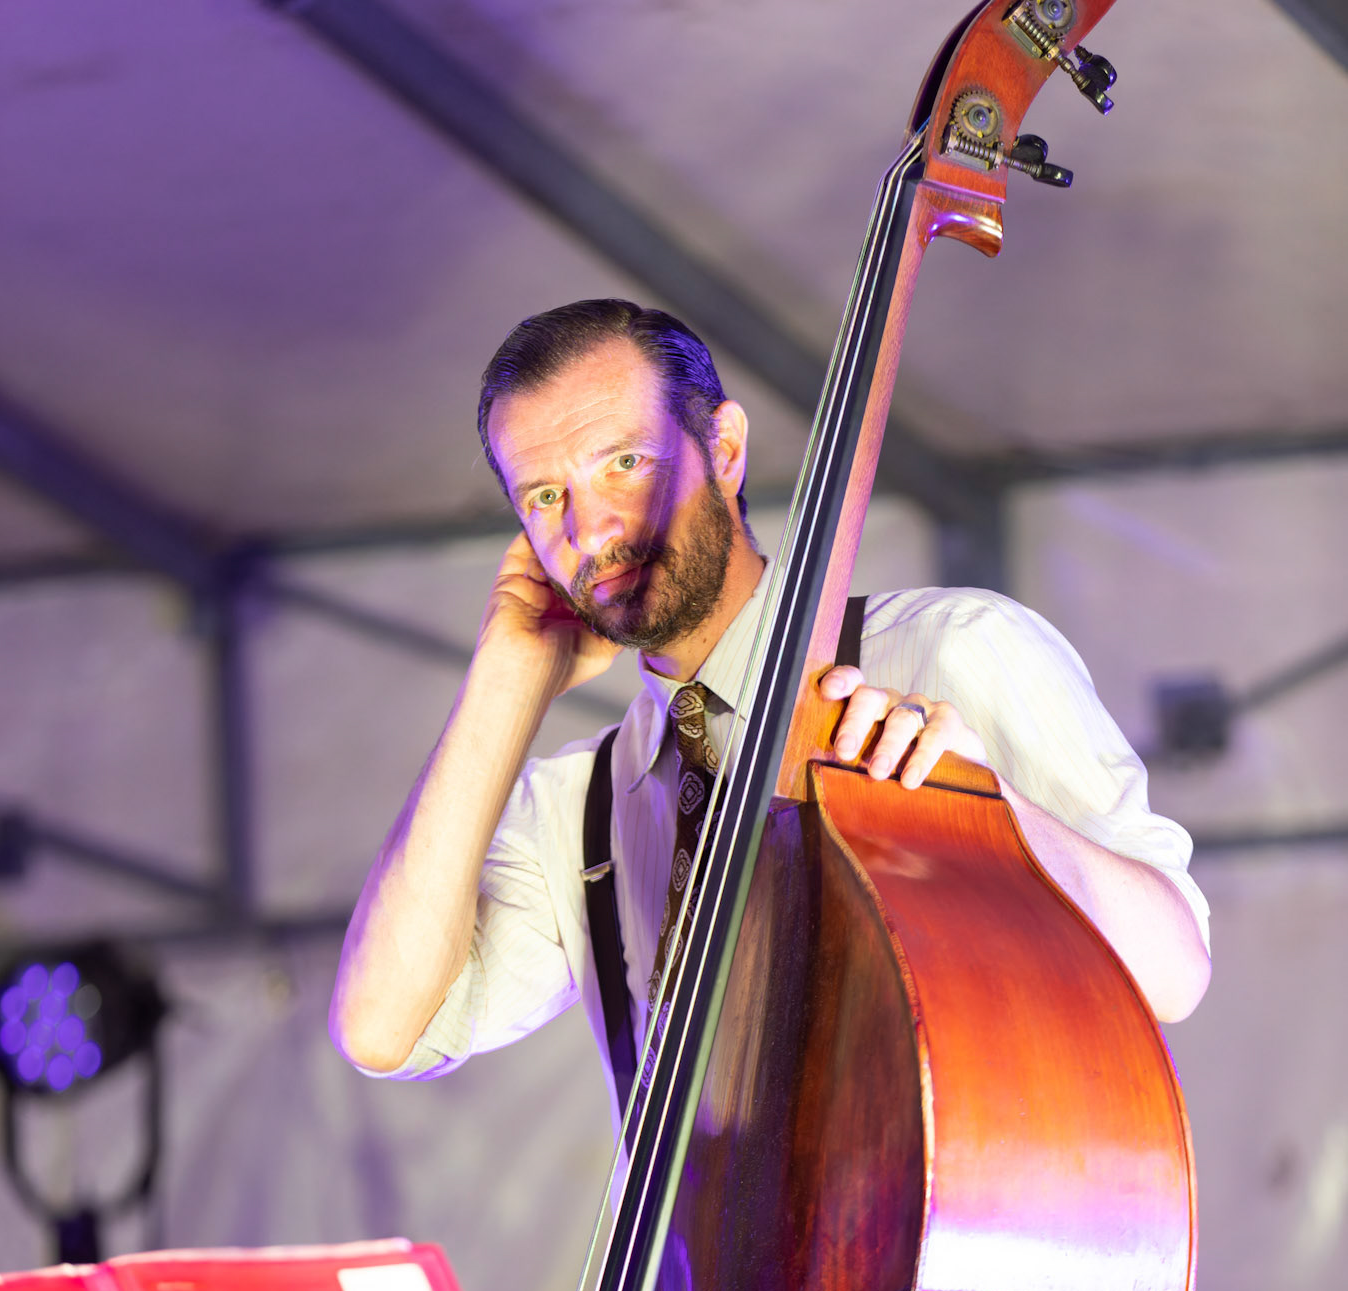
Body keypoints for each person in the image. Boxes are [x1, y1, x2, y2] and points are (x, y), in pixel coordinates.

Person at [331, 298, 1209, 1110]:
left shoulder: (951, 650)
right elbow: (383, 1030)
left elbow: (1172, 971)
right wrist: (505, 678)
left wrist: (991, 814)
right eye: (546, 496)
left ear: (723, 448)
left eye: (625, 463)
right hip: (698, 1289)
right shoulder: (579, 809)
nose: (591, 529)